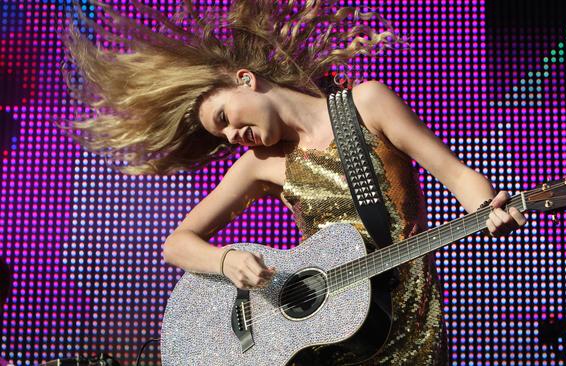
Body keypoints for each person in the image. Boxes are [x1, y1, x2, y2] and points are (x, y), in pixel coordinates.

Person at [60, 0, 527, 364]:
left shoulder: (367, 104)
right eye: (221, 134)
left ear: (246, 80)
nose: (230, 135)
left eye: (224, 117)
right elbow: (177, 244)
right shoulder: (258, 164)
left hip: (410, 314)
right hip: (325, 334)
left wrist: (489, 207)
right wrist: (225, 261)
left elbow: (456, 175)